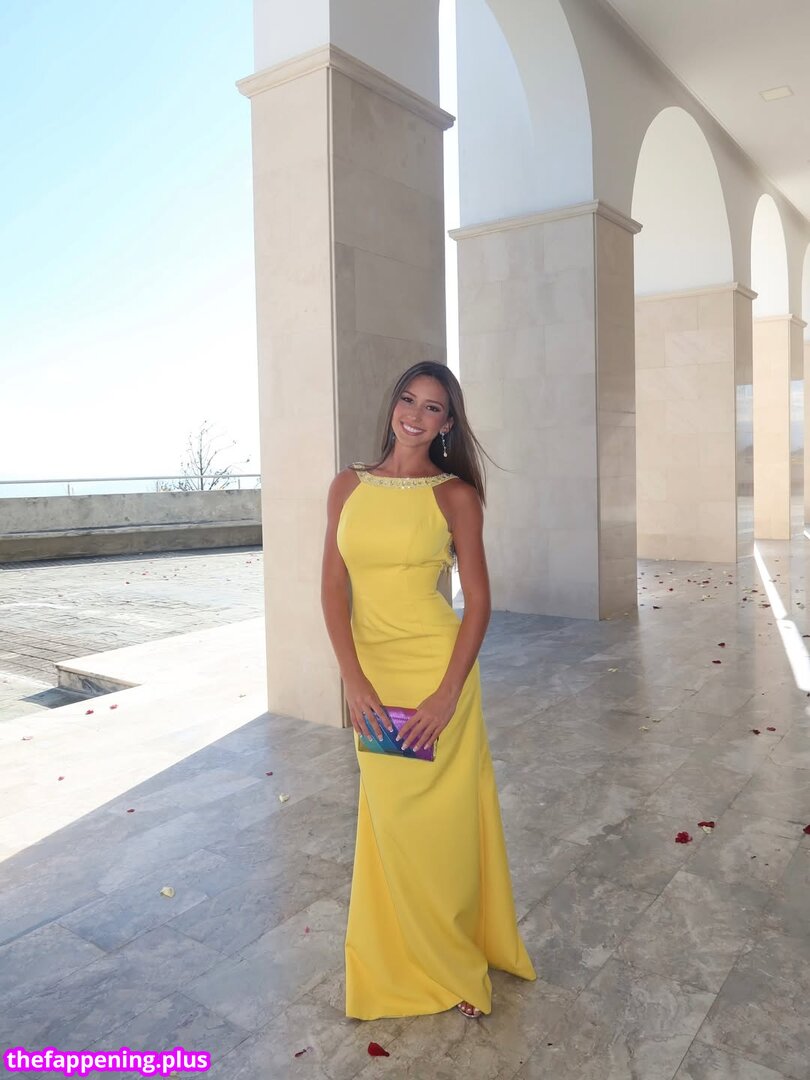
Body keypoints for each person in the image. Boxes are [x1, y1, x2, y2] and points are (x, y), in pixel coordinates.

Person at [320, 360, 535, 1020]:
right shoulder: (347, 485)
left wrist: (447, 695)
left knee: (440, 828)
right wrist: (352, 678)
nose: (416, 414)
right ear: (393, 405)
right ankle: (395, 958)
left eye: (433, 407)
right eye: (408, 400)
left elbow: (479, 604)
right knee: (390, 822)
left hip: (436, 674)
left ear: (447, 423)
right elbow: (332, 587)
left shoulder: (455, 496)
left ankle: (452, 961)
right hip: (373, 680)